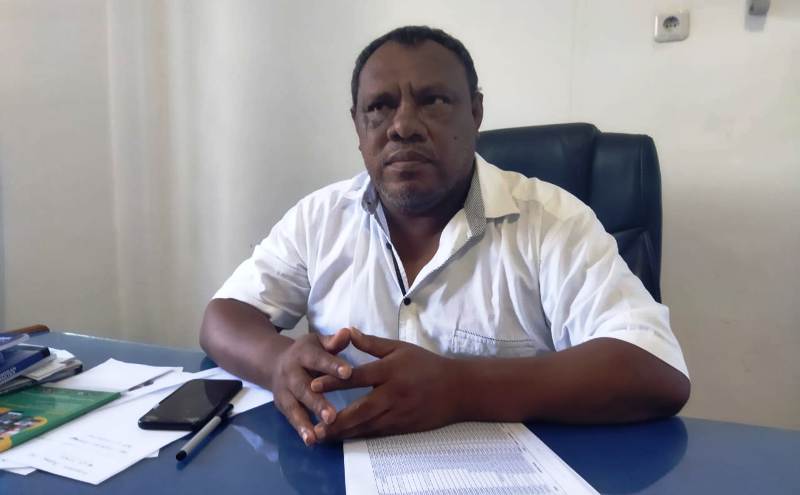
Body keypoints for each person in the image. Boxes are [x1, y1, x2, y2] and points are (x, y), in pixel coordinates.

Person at [200, 25, 690, 447]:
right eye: (379, 107)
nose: (403, 126)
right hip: (342, 467)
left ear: (475, 113)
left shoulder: (551, 221)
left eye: (433, 101)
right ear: (358, 126)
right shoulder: (320, 218)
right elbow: (224, 317)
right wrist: (278, 361)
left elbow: (654, 368)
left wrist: (460, 387)